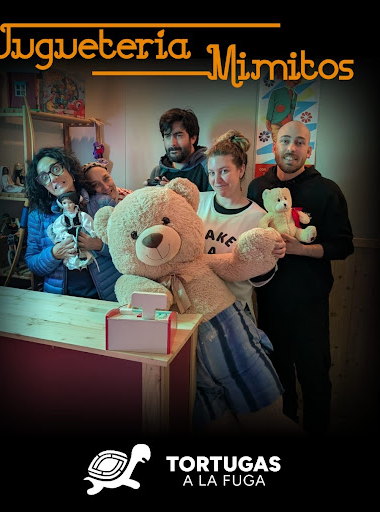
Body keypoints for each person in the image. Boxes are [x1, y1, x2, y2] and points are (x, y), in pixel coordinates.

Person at [247, 120, 354, 434]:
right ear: (274, 146)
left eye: (299, 142)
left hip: (311, 302)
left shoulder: (327, 190)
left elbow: (343, 245)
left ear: (309, 149)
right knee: (277, 379)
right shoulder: (257, 188)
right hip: (269, 301)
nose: (291, 148)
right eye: (285, 141)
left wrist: (300, 249)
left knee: (315, 378)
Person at [194, 129, 297, 434]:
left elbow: (261, 280)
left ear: (241, 170)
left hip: (233, 315)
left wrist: (272, 255)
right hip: (191, 316)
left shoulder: (258, 217)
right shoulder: (197, 204)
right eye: (212, 172)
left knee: (254, 407)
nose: (217, 179)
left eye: (225, 171)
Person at [25, 146, 121, 301]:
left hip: (107, 296)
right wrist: (53, 254)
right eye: (44, 177)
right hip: (61, 301)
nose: (53, 178)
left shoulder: (103, 204)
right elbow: (32, 262)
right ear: (42, 185)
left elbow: (128, 249)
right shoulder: (38, 216)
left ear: (69, 168)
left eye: (56, 169)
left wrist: (99, 245)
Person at [147, 108, 211, 191]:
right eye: (167, 136)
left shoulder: (210, 167)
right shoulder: (157, 172)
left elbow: (217, 198)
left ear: (193, 138)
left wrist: (176, 194)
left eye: (178, 135)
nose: (172, 143)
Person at [47, 191, 97, 270]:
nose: (67, 205)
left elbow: (88, 224)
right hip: (69, 236)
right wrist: (63, 235)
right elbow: (59, 228)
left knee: (82, 249)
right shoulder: (62, 218)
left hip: (80, 234)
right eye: (64, 203)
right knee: (71, 250)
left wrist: (91, 234)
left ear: (75, 203)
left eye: (70, 202)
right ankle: (74, 262)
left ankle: (83, 260)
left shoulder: (81, 215)